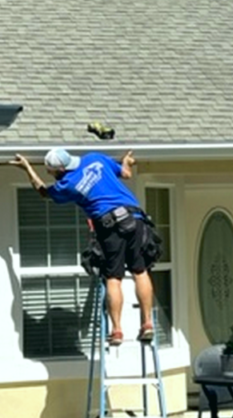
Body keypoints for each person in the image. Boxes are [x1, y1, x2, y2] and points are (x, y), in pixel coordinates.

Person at [10, 147, 156, 346]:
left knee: (114, 278)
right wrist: (127, 161)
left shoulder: (66, 185)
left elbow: (43, 191)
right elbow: (126, 173)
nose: (50, 174)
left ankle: (117, 331)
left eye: (51, 171)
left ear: (59, 170)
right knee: (140, 271)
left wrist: (27, 168)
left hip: (109, 226)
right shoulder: (95, 159)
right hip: (135, 218)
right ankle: (147, 324)